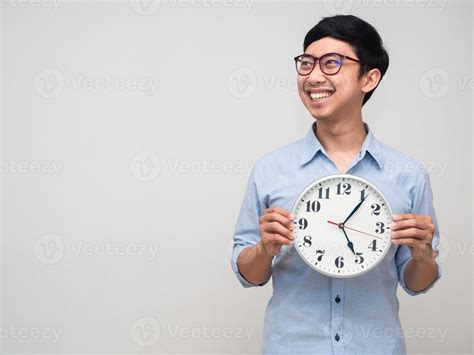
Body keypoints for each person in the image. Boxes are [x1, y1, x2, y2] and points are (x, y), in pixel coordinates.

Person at [230, 14, 442, 354]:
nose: (314, 76)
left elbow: (416, 282)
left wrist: (423, 256)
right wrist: (264, 250)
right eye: (306, 63)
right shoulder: (271, 169)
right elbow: (250, 275)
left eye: (331, 64)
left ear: (369, 78)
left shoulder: (407, 174)